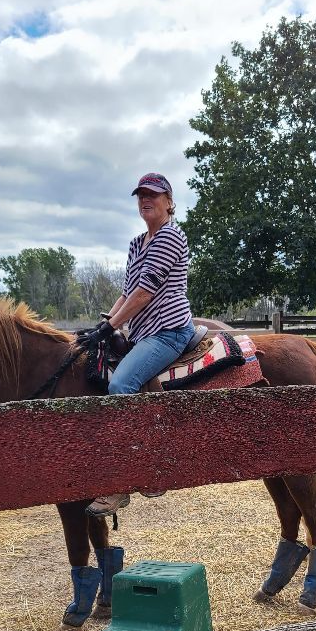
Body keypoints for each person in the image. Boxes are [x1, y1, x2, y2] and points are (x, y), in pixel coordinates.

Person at [84, 172, 196, 516]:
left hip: (168, 330)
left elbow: (145, 292)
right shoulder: (136, 243)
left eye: (153, 195)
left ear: (169, 201)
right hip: (142, 333)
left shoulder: (170, 237)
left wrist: (111, 327)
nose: (146, 200)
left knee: (121, 384)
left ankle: (136, 475)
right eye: (141, 195)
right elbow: (127, 292)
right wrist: (104, 326)